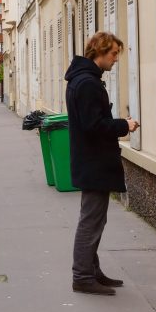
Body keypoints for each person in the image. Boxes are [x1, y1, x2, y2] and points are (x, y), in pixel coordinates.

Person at [64, 32, 139, 295]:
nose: (116, 59)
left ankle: (91, 271)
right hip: (93, 163)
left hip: (91, 162)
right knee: (91, 220)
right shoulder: (87, 84)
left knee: (96, 219)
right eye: (114, 54)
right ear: (100, 51)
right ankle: (83, 276)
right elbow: (93, 126)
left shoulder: (84, 80)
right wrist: (124, 125)